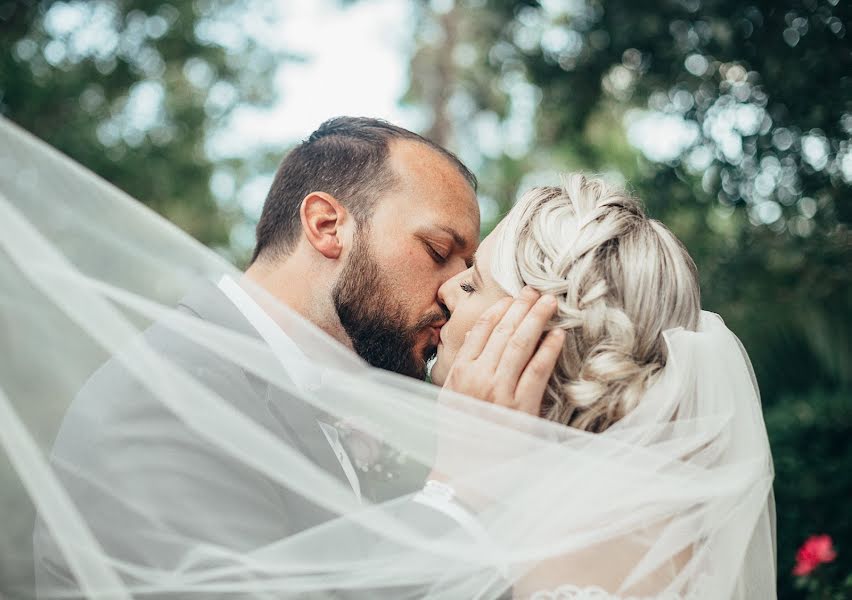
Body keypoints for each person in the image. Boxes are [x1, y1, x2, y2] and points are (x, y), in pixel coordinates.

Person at [429, 175, 776, 598]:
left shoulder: (575, 544)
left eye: (472, 283)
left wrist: (451, 487)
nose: (446, 290)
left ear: (542, 334)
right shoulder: (639, 520)